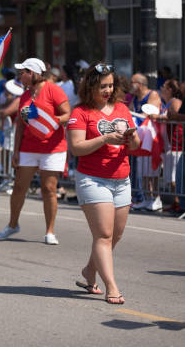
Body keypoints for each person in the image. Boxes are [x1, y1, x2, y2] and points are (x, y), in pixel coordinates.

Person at [67, 63, 140, 304]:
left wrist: (131, 138)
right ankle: (112, 286)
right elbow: (76, 147)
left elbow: (135, 145)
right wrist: (106, 137)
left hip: (121, 178)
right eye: (102, 86)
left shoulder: (121, 108)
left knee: (115, 236)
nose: (108, 90)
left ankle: (89, 271)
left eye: (110, 85)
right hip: (92, 179)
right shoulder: (80, 112)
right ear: (90, 87)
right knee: (104, 235)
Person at [0, 57, 71, 245]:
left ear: (34, 73)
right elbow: (20, 125)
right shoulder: (25, 96)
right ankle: (12, 225)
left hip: (53, 148)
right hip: (28, 148)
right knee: (19, 187)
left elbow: (67, 113)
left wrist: (55, 121)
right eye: (20, 73)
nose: (20, 76)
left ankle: (50, 231)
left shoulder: (54, 90)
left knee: (49, 189)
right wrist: (16, 151)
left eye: (23, 73)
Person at [129, 73, 162, 211]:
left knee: (152, 170)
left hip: (151, 135)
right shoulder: (135, 98)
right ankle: (146, 198)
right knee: (142, 170)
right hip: (141, 136)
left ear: (140, 84)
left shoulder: (152, 94)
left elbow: (151, 112)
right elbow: (130, 111)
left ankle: (156, 198)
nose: (130, 85)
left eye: (133, 82)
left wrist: (136, 116)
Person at [150, 79, 183, 213]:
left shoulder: (174, 101)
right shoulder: (166, 102)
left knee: (174, 176)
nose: (161, 88)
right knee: (170, 176)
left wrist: (159, 117)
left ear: (169, 90)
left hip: (175, 144)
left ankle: (179, 203)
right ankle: (176, 202)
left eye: (163, 86)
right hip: (168, 144)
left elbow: (174, 116)